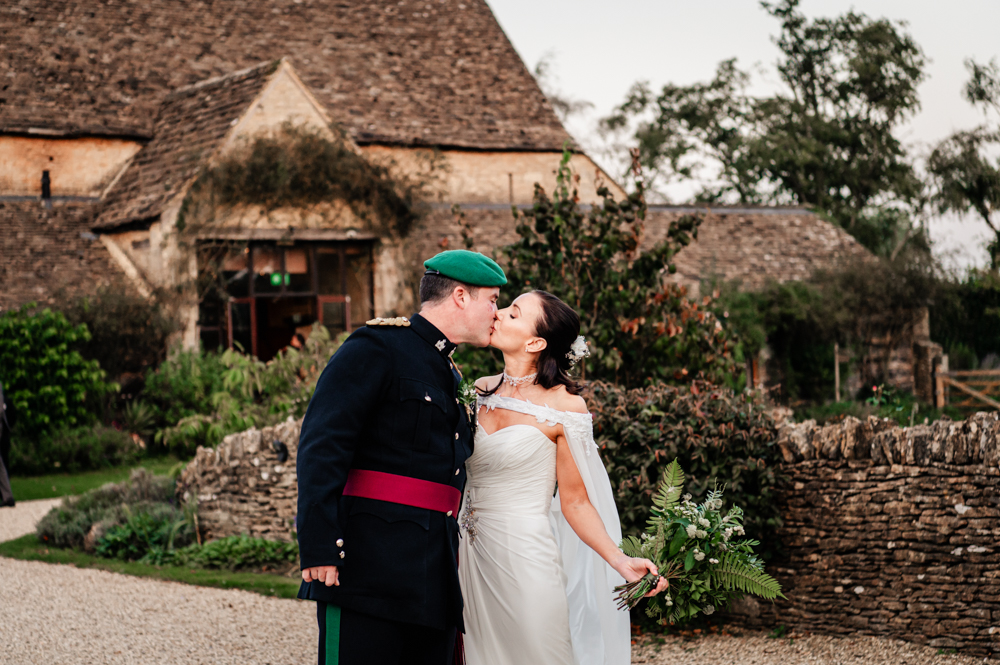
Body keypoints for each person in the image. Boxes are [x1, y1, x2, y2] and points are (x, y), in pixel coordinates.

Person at [296, 249, 506, 665]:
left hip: (432, 570)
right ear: (461, 296)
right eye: (493, 300)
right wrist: (320, 546)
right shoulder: (377, 347)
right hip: (367, 564)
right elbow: (322, 444)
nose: (496, 312)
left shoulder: (450, 370)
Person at [459, 290, 668, 665]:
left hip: (525, 557)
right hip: (468, 554)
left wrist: (620, 561)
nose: (498, 313)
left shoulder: (565, 407)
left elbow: (575, 501)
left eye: (512, 313)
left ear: (535, 342)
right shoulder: (477, 390)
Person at [0, 380, 15, 507]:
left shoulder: (5, 401)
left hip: (3, 436)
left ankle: (7, 497)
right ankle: (7, 496)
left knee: (3, 465)